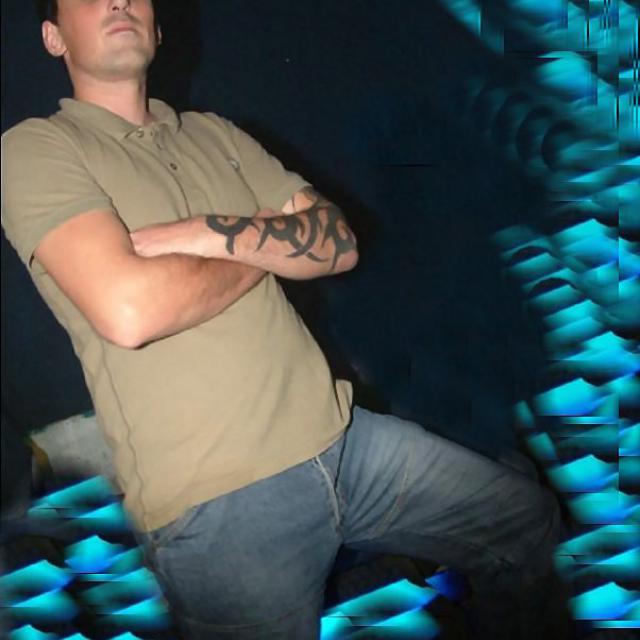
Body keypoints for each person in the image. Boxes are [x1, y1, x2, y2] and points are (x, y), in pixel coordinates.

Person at [1, 1, 571, 638]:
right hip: (220, 503)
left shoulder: (217, 134)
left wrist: (201, 233)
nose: (119, 0)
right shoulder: (34, 149)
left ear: (158, 29)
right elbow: (131, 310)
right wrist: (269, 241)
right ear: (53, 37)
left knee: (526, 525)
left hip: (343, 437)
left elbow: (340, 244)